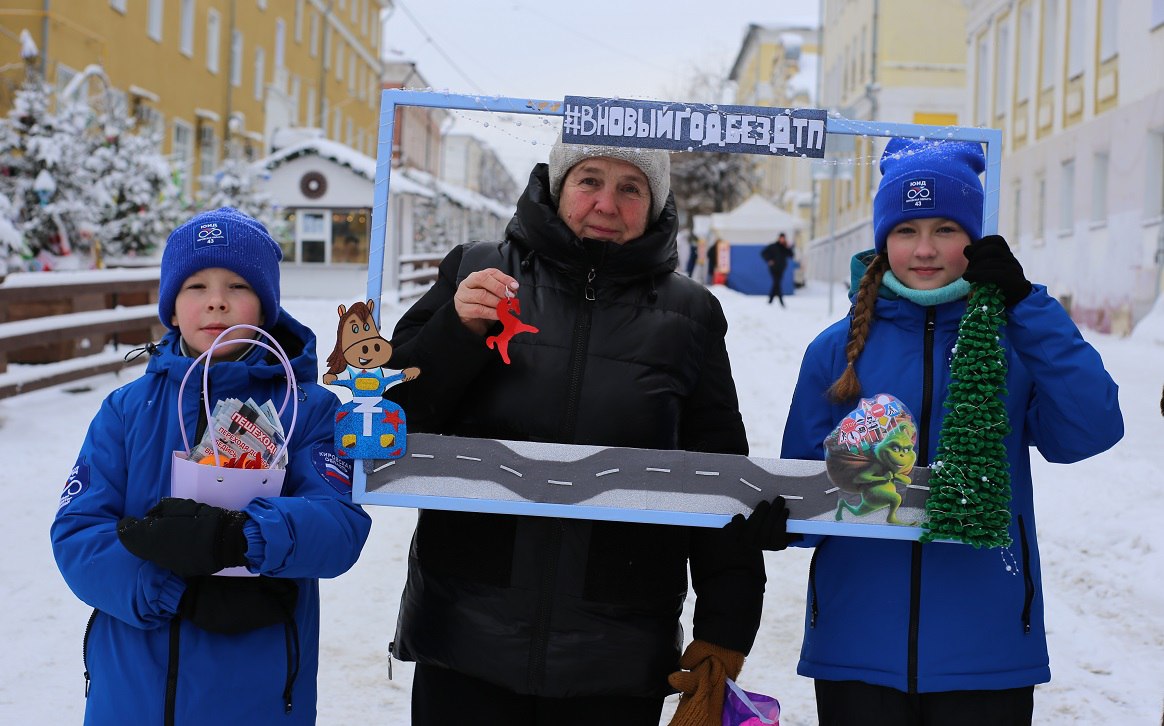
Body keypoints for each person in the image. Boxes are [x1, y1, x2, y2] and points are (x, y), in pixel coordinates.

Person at [382, 137, 767, 726]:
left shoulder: (690, 316)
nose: (607, 204)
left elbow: (719, 476)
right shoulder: (477, 273)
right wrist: (455, 332)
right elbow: (392, 420)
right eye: (590, 179)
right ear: (560, 187)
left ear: (655, 202)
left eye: (630, 187)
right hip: (465, 635)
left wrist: (726, 629)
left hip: (615, 651)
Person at [775, 138, 1123, 724]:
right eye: (907, 229)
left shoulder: (1016, 341)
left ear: (976, 238)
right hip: (856, 644)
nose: (926, 249)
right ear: (883, 240)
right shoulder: (836, 351)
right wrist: (777, 521)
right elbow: (806, 488)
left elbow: (1089, 429)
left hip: (986, 645)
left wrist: (1027, 309)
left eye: (946, 228)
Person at [51, 207, 373, 724]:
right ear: (172, 309)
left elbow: (339, 527)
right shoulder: (127, 410)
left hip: (258, 691)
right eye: (196, 285)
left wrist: (243, 538)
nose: (216, 300)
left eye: (238, 285)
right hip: (130, 692)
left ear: (266, 308)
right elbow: (77, 530)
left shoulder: (310, 411)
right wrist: (161, 584)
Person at [760, 232, 794, 306]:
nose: (782, 240)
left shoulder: (785, 247)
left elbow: (791, 255)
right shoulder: (773, 246)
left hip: (781, 268)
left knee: (777, 283)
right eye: (781, 238)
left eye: (783, 238)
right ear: (779, 238)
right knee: (777, 282)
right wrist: (769, 260)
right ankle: (781, 300)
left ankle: (770, 300)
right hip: (773, 268)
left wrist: (789, 247)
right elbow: (763, 253)